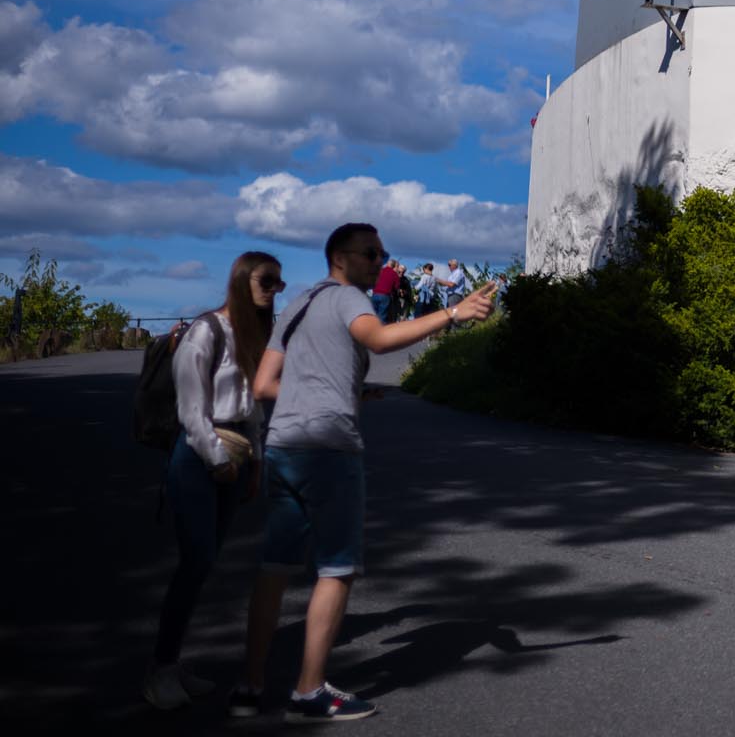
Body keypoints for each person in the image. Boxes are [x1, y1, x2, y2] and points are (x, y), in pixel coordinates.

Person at [240, 223, 495, 722]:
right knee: (336, 569)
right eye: (370, 253)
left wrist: (346, 392)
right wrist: (453, 312)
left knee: (275, 568)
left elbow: (265, 384)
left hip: (285, 445)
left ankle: (248, 687)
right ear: (340, 257)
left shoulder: (297, 306)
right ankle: (309, 690)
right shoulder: (346, 297)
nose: (380, 262)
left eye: (381, 254)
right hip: (330, 449)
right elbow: (377, 340)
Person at [143, 252, 282, 713]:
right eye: (267, 280)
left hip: (239, 452)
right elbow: (191, 409)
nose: (274, 289)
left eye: (279, 283)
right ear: (242, 280)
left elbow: (253, 406)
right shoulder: (206, 331)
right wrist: (219, 459)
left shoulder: (254, 332)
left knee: (205, 563)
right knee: (195, 561)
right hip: (201, 456)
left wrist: (256, 460)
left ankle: (174, 663)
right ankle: (161, 670)